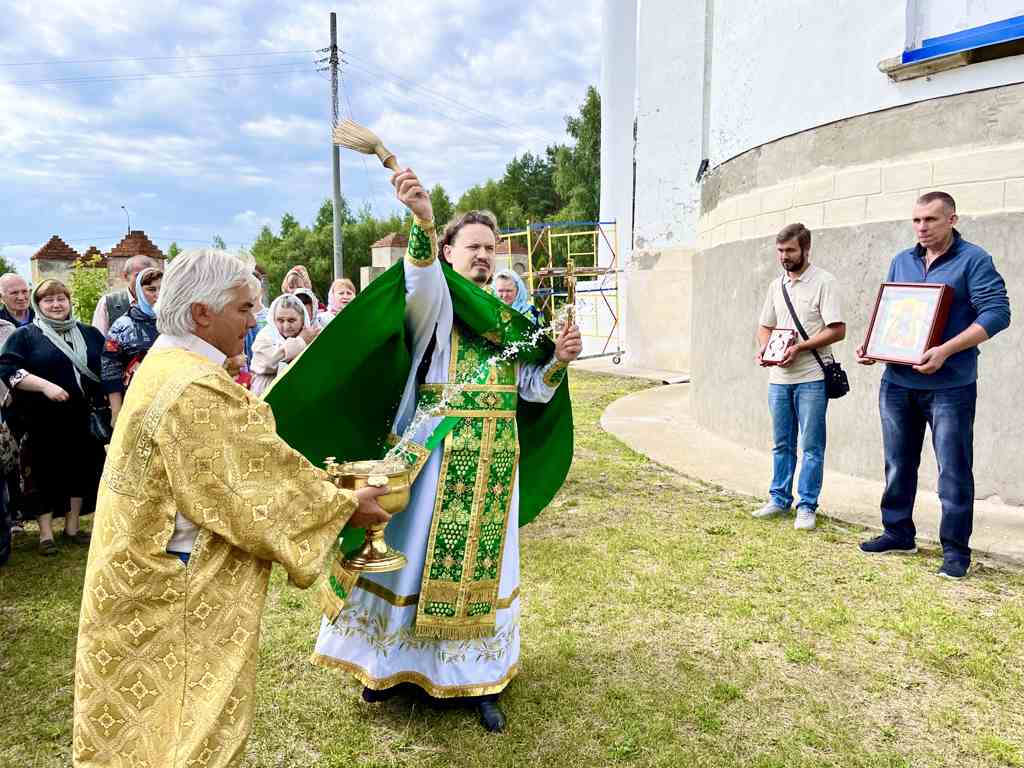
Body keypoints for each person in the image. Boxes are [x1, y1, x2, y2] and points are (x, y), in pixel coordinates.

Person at [72, 247, 391, 768]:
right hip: (174, 595)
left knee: (143, 726)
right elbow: (250, 485)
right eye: (244, 309)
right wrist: (344, 504)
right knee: (187, 726)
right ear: (202, 312)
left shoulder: (166, 363)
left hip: (137, 580)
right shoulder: (195, 388)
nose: (252, 322)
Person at [309, 171, 581, 732]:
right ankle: (385, 667)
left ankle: (475, 681)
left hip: (494, 456)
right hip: (434, 452)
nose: (483, 256)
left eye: (490, 248)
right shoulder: (441, 305)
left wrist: (559, 360)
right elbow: (419, 280)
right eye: (472, 246)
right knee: (411, 559)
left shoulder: (517, 324)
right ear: (451, 253)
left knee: (484, 571)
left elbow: (530, 388)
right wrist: (423, 223)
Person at [856, 191, 1010, 579]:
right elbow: (892, 313)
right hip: (897, 382)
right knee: (897, 463)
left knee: (954, 470)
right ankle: (897, 532)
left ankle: (956, 551)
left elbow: (997, 314)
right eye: (916, 220)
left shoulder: (974, 260)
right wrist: (875, 345)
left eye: (931, 220)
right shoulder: (901, 261)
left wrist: (946, 350)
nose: (922, 227)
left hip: (951, 386)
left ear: (952, 220)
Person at [0, 280, 106, 556]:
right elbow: (7, 368)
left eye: (61, 299)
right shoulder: (25, 336)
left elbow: (106, 366)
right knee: (42, 474)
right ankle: (45, 534)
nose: (56, 305)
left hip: (81, 417)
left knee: (80, 471)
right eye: (49, 301)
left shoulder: (90, 334)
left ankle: (72, 527)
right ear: (39, 305)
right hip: (39, 419)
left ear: (69, 302)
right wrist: (45, 386)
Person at [754, 223, 845, 531]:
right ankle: (778, 499)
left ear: (806, 249)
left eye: (790, 250)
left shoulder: (824, 282)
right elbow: (765, 325)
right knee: (781, 443)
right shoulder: (776, 286)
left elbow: (837, 329)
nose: (784, 256)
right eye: (780, 251)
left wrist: (800, 347)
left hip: (811, 378)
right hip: (779, 380)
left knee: (812, 445)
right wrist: (766, 349)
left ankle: (807, 505)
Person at [101, 267, 162, 425]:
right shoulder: (121, 326)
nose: (158, 295)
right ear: (139, 292)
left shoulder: (177, 323)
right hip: (136, 402)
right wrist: (116, 411)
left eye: (163, 289)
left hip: (171, 400)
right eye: (151, 289)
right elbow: (110, 368)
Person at [249, 293, 317, 396]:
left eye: (291, 320)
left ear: (302, 320)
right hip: (267, 395)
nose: (286, 326)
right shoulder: (265, 336)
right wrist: (301, 342)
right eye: (280, 320)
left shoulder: (311, 337)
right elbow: (269, 362)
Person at [91, 254, 157, 335]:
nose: (144, 280)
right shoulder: (108, 302)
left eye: (149, 276)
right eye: (138, 275)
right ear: (125, 276)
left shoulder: (161, 303)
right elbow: (98, 339)